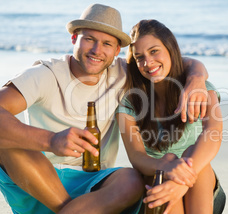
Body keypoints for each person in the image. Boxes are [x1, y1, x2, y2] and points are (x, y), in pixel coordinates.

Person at [0, 4, 209, 214]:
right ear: (74, 38)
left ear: (117, 50)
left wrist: (197, 77)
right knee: (9, 142)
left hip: (96, 190)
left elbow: (170, 62)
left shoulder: (123, 74)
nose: (96, 50)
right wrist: (50, 140)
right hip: (38, 180)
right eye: (89, 39)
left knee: (130, 179)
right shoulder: (44, 74)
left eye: (107, 43)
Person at [116, 19, 226, 214]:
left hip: (201, 192)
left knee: (191, 155)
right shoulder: (131, 102)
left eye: (154, 51)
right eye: (139, 56)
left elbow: (213, 132)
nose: (147, 62)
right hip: (155, 191)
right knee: (167, 161)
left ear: (170, 49)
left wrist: (182, 181)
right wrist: (167, 167)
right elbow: (137, 157)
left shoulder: (198, 90)